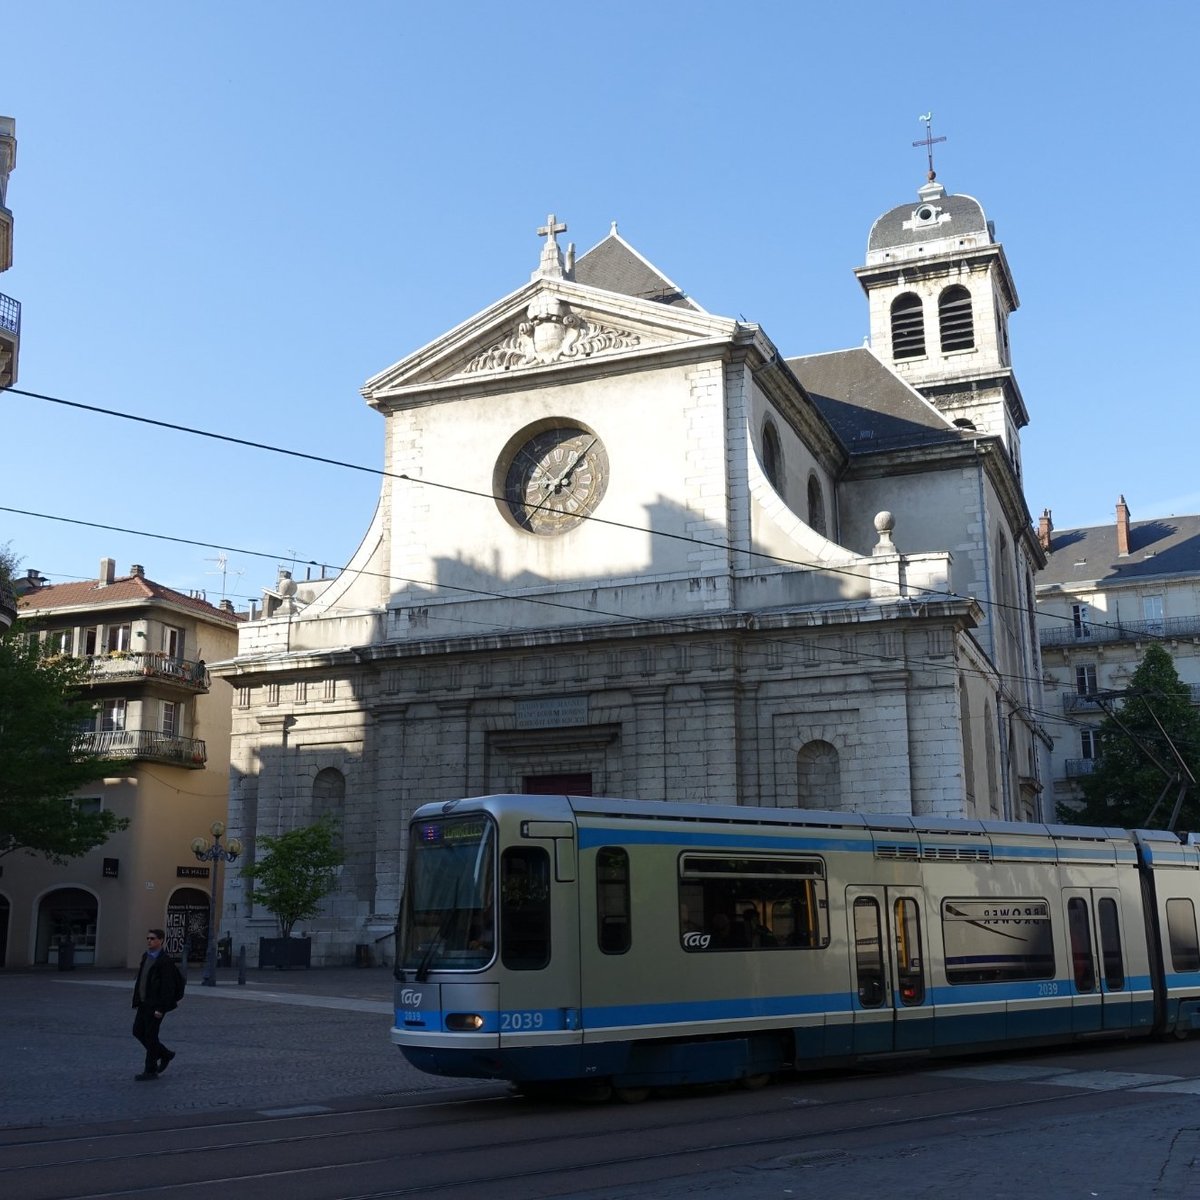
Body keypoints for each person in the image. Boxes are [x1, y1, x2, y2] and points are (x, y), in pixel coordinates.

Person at [131, 928, 185, 1081]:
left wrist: (161, 1008)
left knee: (150, 1035)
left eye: (153, 938)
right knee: (137, 1031)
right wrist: (136, 1000)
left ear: (161, 940)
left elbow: (167, 988)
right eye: (148, 938)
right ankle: (165, 1054)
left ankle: (150, 1070)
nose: (149, 941)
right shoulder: (146, 957)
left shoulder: (165, 961)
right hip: (143, 1003)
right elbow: (142, 980)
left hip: (155, 1005)